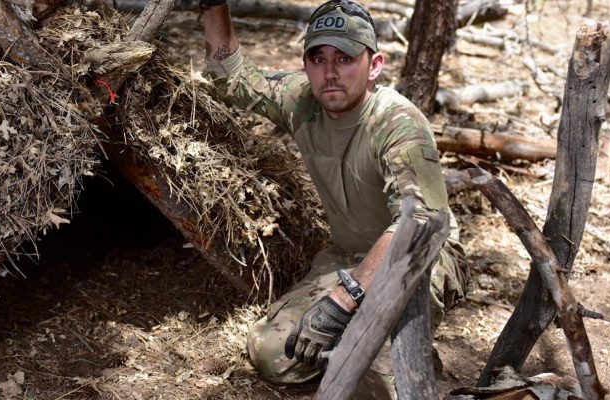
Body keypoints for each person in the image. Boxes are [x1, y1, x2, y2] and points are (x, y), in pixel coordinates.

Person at [200, 0, 470, 396]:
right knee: (274, 353)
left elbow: (420, 222)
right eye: (318, 57)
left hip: (424, 259)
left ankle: (399, 359)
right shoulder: (301, 101)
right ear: (306, 64)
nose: (330, 72)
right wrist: (213, 5)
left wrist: (345, 298)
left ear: (373, 65)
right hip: (348, 256)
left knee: (364, 366)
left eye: (345, 58)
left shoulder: (397, 123)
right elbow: (231, 76)